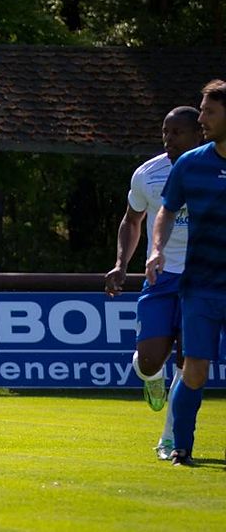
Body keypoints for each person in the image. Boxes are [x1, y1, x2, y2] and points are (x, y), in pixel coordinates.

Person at [104, 106, 203, 460]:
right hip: (160, 278)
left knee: (188, 362)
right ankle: (152, 378)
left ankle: (171, 439)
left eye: (177, 133)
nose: (168, 139)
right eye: (165, 132)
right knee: (148, 361)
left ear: (199, 134)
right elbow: (132, 221)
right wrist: (121, 264)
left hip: (203, 279)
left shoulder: (216, 170)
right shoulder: (148, 174)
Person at [146, 79, 226, 466]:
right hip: (200, 287)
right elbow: (166, 210)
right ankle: (181, 447)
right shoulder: (191, 164)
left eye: (209, 111)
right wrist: (156, 249)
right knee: (194, 371)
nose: (202, 119)